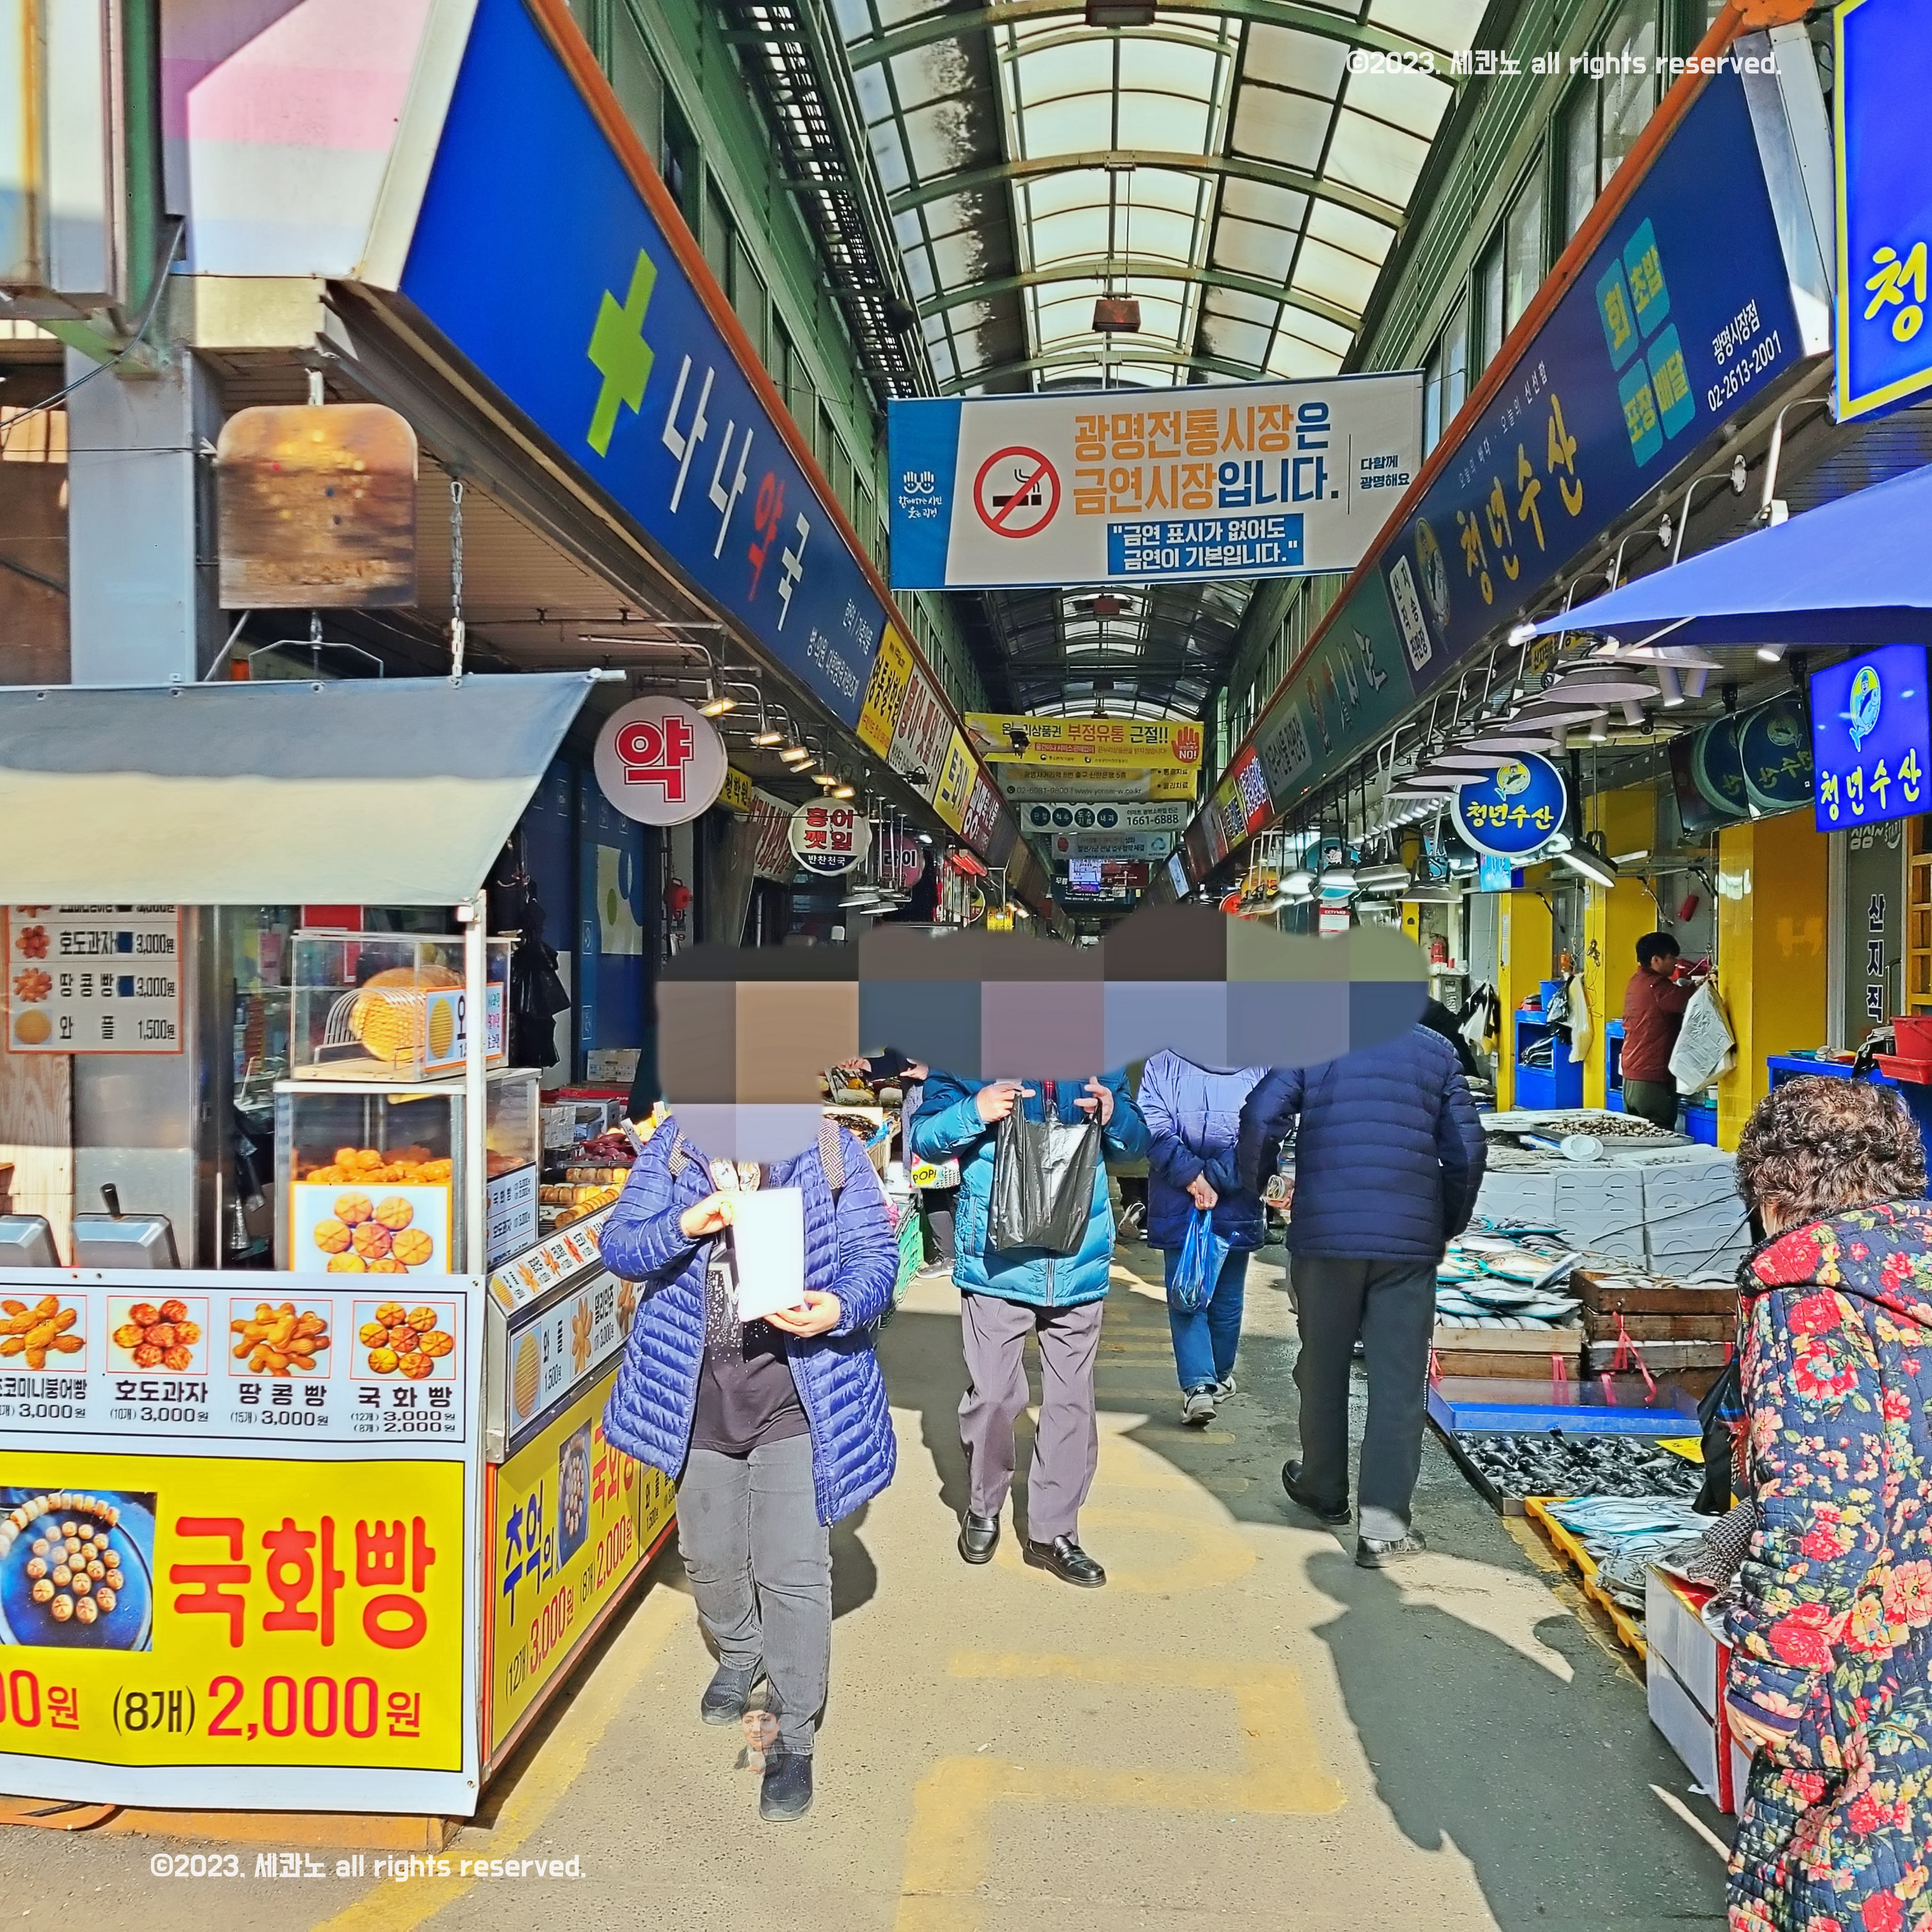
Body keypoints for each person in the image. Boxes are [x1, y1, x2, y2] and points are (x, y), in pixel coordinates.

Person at [601, 1113, 899, 1823]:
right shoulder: (679, 1145)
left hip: (799, 1397)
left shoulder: (829, 1147)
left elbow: (874, 1256)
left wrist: (838, 1307)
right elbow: (620, 1245)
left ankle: (794, 1738)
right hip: (695, 1398)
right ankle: (740, 1651)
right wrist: (687, 1224)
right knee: (709, 1558)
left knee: (793, 1571)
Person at [1721, 1076, 1932, 1932]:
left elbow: (1821, 1511)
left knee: (1840, 1880)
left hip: (1870, 1672)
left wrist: (1769, 1680)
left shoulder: (1810, 1298)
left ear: (1775, 1194)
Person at [1237, 1024, 1486, 1566]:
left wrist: (1263, 1184)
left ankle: (1323, 1488)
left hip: (1325, 1238)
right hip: (1406, 1249)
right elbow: (1467, 1150)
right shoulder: (1435, 1051)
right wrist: (1442, 1223)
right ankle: (1383, 1527)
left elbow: (1260, 1117)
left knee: (1322, 1366)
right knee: (1398, 1384)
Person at [912, 1069, 1149, 1586]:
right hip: (995, 1261)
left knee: (1071, 1401)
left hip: (1078, 1257)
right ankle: (984, 1506)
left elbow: (1136, 1144)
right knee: (994, 1396)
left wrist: (1115, 1116)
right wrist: (974, 1111)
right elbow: (925, 1139)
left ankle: (1054, 1531)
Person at [1136, 1051, 1267, 1426]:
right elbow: (1264, 1128)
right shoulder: (1260, 1060)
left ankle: (1198, 1388)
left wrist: (1193, 1176)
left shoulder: (1162, 1063)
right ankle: (1219, 1377)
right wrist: (1221, 1176)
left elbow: (1152, 1126)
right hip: (1238, 1195)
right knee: (1227, 1295)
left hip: (1178, 1195)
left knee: (1187, 1291)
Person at [1619, 931, 1703, 1131]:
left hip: (1632, 1076)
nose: (1676, 963)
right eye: (1672, 958)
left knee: (1637, 1135)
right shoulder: (1657, 986)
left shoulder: (1636, 981)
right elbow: (1684, 1000)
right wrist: (1702, 984)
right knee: (1659, 1135)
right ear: (1656, 960)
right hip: (1651, 1080)